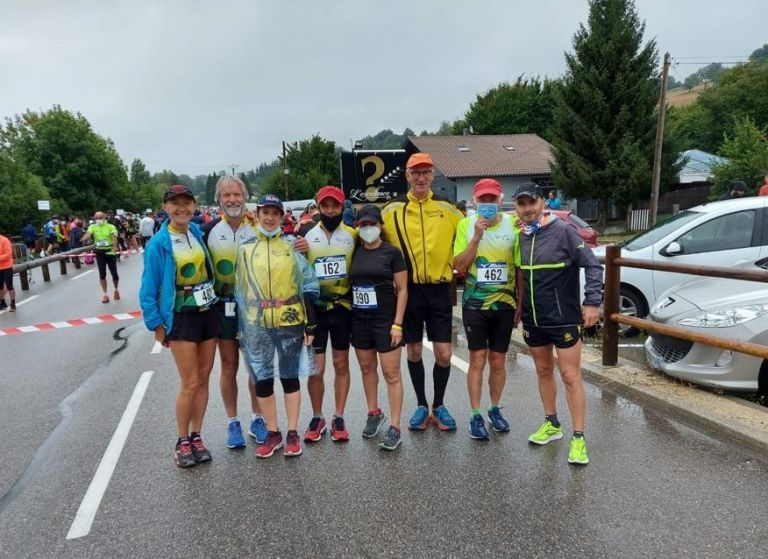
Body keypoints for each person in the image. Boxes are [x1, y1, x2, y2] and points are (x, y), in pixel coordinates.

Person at [513, 183, 602, 465]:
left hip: (563, 318)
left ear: (542, 202)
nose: (527, 209)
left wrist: (592, 302)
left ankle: (579, 437)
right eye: (522, 204)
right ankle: (551, 423)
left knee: (570, 375)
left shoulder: (563, 230)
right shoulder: (520, 235)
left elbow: (592, 265)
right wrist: (519, 308)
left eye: (532, 202)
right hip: (534, 318)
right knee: (543, 371)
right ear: (516, 207)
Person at [381, 153, 464, 431]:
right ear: (407, 175)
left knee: (444, 353)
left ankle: (438, 405)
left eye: (426, 172)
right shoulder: (391, 210)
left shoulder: (448, 208)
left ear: (432, 175)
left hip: (439, 289)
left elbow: (469, 236)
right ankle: (420, 405)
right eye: (415, 172)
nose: (420, 178)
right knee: (414, 350)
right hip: (408, 291)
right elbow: (370, 240)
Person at [140, 184, 220, 468]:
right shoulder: (158, 244)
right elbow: (148, 288)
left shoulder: (197, 232)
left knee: (204, 377)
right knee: (190, 382)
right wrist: (156, 324)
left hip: (207, 310)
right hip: (181, 316)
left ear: (194, 206)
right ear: (166, 208)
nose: (182, 208)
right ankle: (182, 441)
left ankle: (197, 436)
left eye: (187, 203)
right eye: (175, 203)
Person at [235, 194, 319, 459]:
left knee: (289, 376)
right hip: (256, 322)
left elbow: (308, 283)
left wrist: (310, 323)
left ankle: (292, 432)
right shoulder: (246, 249)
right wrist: (241, 326)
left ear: (282, 217)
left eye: (275, 213)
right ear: (257, 215)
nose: (270, 218)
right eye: (265, 213)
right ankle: (273, 433)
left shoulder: (292, 246)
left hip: (289, 319)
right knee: (262, 378)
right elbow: (240, 290)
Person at [201, 176, 266, 449]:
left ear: (245, 197)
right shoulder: (207, 231)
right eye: (226, 195)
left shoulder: (259, 228)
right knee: (229, 366)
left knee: (255, 367)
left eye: (237, 195)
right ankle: (232, 422)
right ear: (219, 200)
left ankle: (258, 418)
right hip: (223, 306)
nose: (232, 200)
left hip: (254, 307)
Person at [453, 178, 519, 440]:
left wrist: (520, 303)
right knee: (477, 359)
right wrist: (476, 237)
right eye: (483, 200)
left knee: (499, 361)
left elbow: (519, 267)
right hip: (475, 303)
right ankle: (475, 414)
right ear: (475, 201)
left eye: (492, 199)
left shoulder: (512, 225)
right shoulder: (465, 224)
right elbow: (459, 265)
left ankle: (494, 408)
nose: (488, 204)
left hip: (505, 303)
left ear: (500, 200)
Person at [300, 186, 356, 443]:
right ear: (318, 207)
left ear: (342, 207)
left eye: (335, 206)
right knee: (316, 369)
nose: (330, 210)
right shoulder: (306, 236)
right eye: (326, 206)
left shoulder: (353, 235)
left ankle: (339, 416)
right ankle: (317, 415)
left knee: (341, 364)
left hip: (343, 308)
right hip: (316, 310)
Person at [349, 205, 408, 450]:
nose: (367, 228)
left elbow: (402, 290)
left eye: (371, 224)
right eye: (363, 225)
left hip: (385, 320)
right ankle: (374, 412)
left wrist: (398, 324)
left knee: (391, 374)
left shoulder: (392, 252)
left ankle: (395, 426)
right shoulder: (355, 251)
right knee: (366, 368)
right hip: (360, 319)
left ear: (380, 226)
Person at [81, 211, 120, 303]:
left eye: (100, 217)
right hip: (99, 252)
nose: (98, 219)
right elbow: (88, 233)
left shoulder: (111, 226)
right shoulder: (92, 226)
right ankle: (105, 295)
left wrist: (115, 246)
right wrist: (83, 238)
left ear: (104, 217)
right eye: (96, 218)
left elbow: (114, 236)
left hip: (110, 251)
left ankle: (116, 290)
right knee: (102, 274)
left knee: (114, 273)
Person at [0, 233, 16, 312]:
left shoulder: (4, 240)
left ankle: (13, 304)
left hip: (7, 267)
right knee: (0, 286)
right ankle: (2, 303)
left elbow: (8, 254)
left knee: (9, 286)